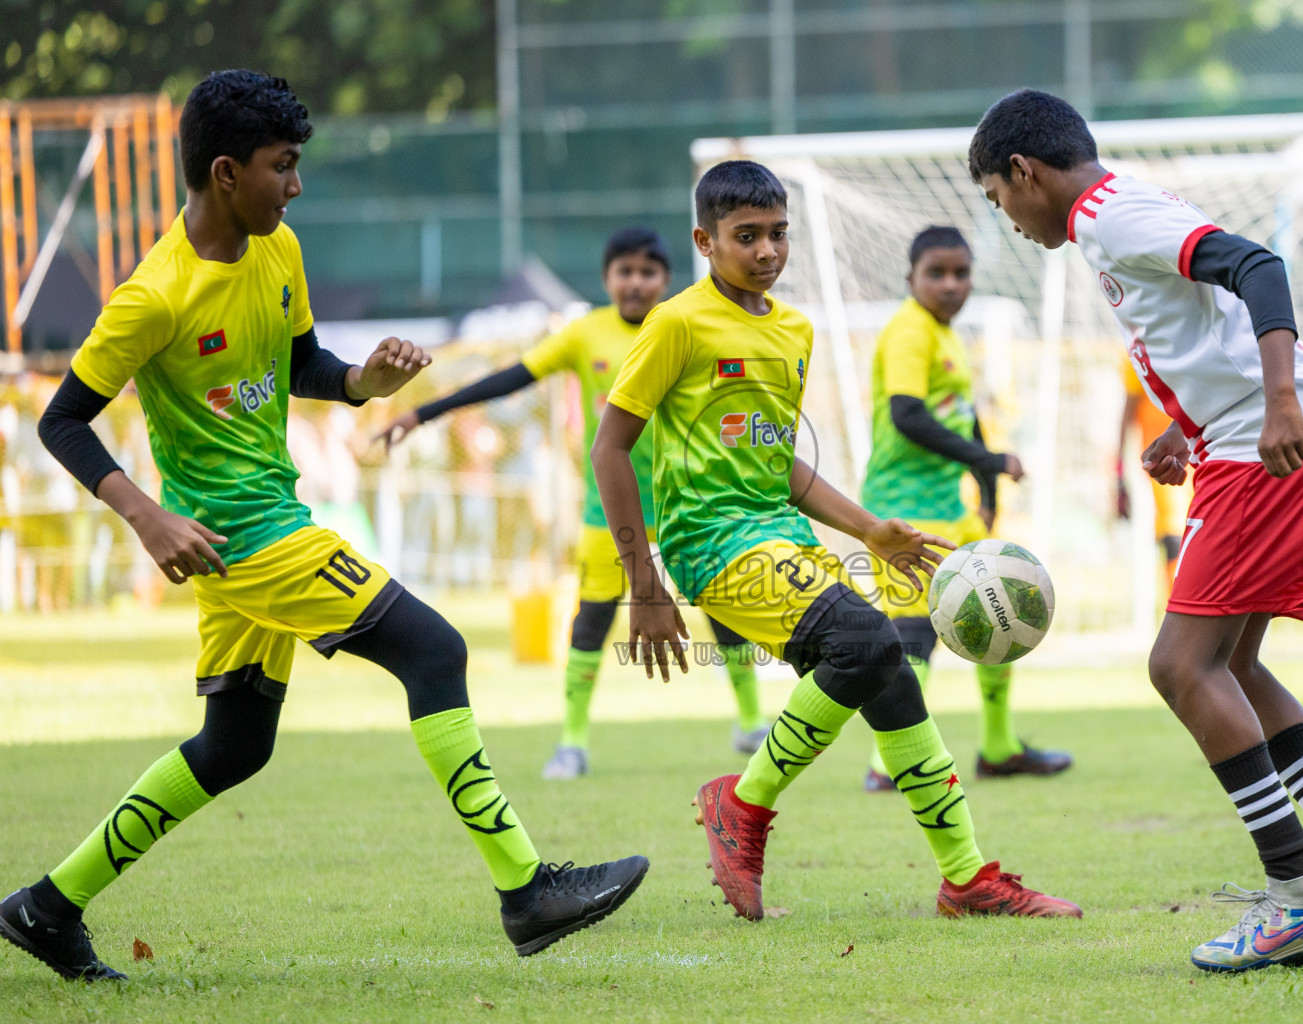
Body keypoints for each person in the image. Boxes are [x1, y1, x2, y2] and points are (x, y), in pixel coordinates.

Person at [0, 71, 645, 983]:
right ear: (226, 173)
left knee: (234, 748)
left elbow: (302, 361)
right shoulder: (153, 297)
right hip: (248, 539)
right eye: (283, 167)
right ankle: (526, 891)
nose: (295, 186)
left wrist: (364, 382)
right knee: (436, 651)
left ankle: (46, 906)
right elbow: (61, 419)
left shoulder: (278, 251)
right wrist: (145, 518)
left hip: (268, 523)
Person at [968, 89, 1303, 973]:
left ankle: (1300, 897)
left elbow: (1258, 267)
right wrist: (1192, 421)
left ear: (1023, 171)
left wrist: (1278, 399)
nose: (1011, 222)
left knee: (1179, 666)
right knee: (1233, 665)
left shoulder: (1111, 216)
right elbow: (1206, 319)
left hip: (1271, 442)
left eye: (999, 200)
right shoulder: (1119, 212)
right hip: (1244, 435)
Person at [590, 159, 1082, 923]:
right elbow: (610, 447)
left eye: (777, 234)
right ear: (705, 241)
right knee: (866, 641)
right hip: (708, 543)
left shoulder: (793, 330)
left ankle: (966, 879)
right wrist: (643, 583)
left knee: (890, 671)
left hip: (778, 534)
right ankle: (743, 803)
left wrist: (867, 530)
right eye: (745, 236)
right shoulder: (677, 322)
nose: (766, 251)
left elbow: (778, 462)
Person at [377, 228, 770, 779]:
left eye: (648, 272)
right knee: (592, 623)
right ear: (608, 278)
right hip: (609, 514)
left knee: (727, 612)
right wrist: (422, 413)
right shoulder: (585, 334)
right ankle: (573, 741)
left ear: (666, 279)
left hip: (694, 506)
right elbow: (510, 378)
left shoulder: (685, 327)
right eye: (625, 272)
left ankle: (752, 721)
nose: (636, 283)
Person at [859, 225, 1072, 792]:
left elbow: (961, 415)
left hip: (946, 507)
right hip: (901, 509)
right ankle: (888, 764)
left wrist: (987, 483)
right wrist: (992, 460)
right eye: (937, 273)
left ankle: (999, 748)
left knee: (998, 611)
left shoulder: (947, 334)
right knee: (913, 636)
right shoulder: (909, 330)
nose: (951, 284)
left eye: (960, 273)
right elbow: (908, 415)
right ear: (912, 278)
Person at [1115, 352, 1193, 604]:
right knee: (1174, 529)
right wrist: (1118, 471)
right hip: (1164, 454)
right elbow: (1128, 410)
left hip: (1204, 444)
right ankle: (1181, 603)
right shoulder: (1138, 351)